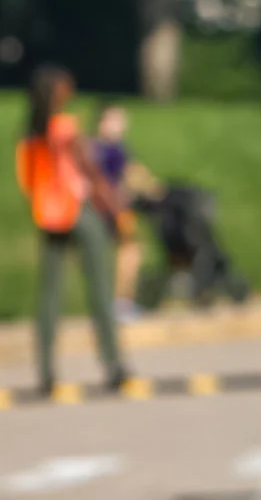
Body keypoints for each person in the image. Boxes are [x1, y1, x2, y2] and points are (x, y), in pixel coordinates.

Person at [14, 66, 128, 396]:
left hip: (48, 216)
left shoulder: (30, 134)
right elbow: (90, 171)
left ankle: (46, 371)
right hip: (78, 211)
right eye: (66, 87)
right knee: (99, 289)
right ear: (56, 93)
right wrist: (112, 208)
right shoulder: (65, 127)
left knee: (49, 296)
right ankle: (113, 363)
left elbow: (27, 179)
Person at [92, 103, 156, 321]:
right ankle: (121, 303)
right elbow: (131, 172)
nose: (122, 125)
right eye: (116, 119)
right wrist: (152, 187)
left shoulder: (102, 148)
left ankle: (116, 302)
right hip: (115, 211)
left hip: (107, 210)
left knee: (126, 252)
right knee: (130, 252)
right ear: (102, 122)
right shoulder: (110, 149)